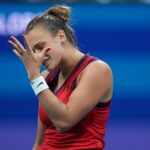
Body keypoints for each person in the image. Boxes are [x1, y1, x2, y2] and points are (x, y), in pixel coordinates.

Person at [8, 5, 113, 150]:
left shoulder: (97, 70)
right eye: (33, 51)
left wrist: (34, 76)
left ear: (61, 37)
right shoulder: (44, 78)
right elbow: (39, 143)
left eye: (40, 46)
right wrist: (37, 78)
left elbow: (64, 122)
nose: (38, 56)